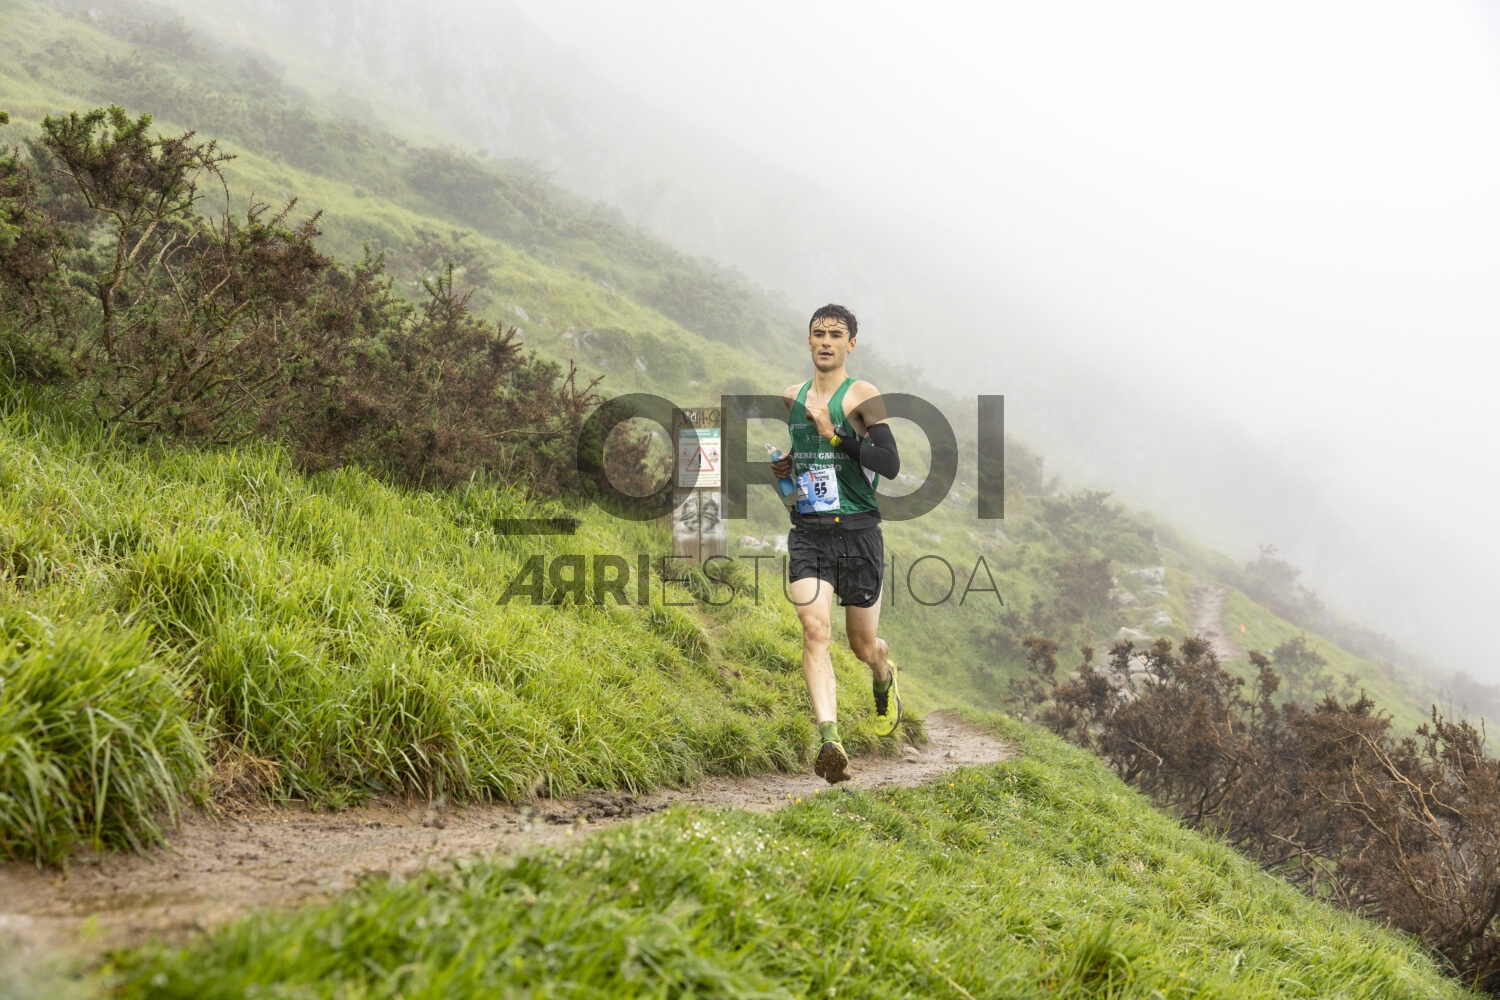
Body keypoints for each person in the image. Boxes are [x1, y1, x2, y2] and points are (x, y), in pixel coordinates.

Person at [770, 304, 903, 784]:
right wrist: (789, 463)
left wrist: (835, 436)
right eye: (818, 333)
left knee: (863, 645)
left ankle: (884, 674)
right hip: (810, 531)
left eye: (836, 334)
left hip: (859, 533)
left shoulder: (862, 396)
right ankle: (831, 741)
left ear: (851, 344)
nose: (826, 341)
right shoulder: (792, 397)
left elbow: (889, 464)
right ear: (808, 341)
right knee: (814, 631)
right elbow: (808, 454)